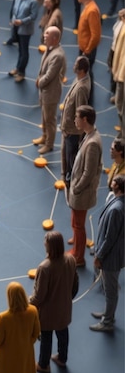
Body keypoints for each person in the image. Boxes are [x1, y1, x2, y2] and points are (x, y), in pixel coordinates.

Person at [30, 231, 78, 372]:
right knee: (63, 333)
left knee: (46, 337)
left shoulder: (45, 268)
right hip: (64, 308)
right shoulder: (70, 260)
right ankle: (62, 358)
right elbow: (75, 284)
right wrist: (67, 299)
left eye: (46, 242)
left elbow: (39, 295)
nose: (44, 244)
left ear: (50, 246)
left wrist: (28, 303)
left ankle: (44, 365)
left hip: (48, 312)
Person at [67, 105, 103, 267]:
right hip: (79, 189)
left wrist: (77, 187)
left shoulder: (93, 143)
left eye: (77, 117)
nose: (75, 119)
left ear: (85, 120)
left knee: (79, 225)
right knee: (75, 222)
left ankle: (78, 256)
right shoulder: (89, 135)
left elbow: (88, 173)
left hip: (82, 191)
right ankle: (76, 244)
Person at [89, 174, 125, 332]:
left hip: (111, 258)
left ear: (117, 185)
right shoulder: (118, 201)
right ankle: (107, 313)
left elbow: (110, 238)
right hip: (112, 254)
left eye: (114, 181)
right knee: (109, 289)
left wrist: (99, 256)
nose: (111, 181)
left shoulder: (117, 209)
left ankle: (108, 322)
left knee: (111, 291)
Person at [33, 26, 66, 154]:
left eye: (47, 34)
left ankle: (49, 144)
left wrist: (39, 82)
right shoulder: (50, 49)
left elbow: (50, 75)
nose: (44, 36)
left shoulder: (57, 55)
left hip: (51, 92)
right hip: (45, 90)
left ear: (55, 38)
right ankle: (44, 136)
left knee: (50, 119)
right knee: (44, 116)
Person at [60, 56, 91, 186]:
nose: (73, 66)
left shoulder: (82, 88)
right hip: (68, 128)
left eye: (76, 65)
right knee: (66, 153)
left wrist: (75, 131)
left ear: (81, 70)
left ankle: (70, 179)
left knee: (71, 156)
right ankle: (66, 174)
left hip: (72, 131)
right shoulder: (80, 79)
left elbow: (80, 111)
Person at [8, 0, 38, 82]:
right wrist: (13, 21)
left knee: (24, 51)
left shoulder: (33, 1)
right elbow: (14, 12)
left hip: (25, 29)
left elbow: (33, 16)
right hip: (17, 27)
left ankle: (22, 72)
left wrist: (22, 21)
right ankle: (18, 67)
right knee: (20, 49)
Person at [77, 0, 102, 103]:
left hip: (87, 49)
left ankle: (88, 98)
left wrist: (88, 50)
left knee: (87, 73)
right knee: (84, 72)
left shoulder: (92, 10)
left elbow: (95, 34)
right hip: (84, 47)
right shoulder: (87, 7)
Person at [111, 10, 125, 138]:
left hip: (123, 74)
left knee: (121, 105)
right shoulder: (122, 24)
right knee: (120, 105)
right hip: (120, 71)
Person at [108, 9, 125, 104]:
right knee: (112, 69)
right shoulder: (119, 24)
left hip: (119, 52)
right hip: (114, 49)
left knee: (119, 75)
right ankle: (114, 92)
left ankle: (117, 95)